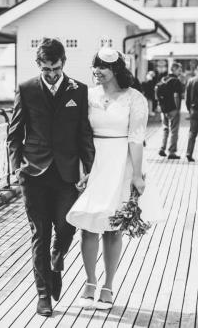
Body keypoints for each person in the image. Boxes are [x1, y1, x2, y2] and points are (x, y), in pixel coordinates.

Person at [66, 47, 162, 310]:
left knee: (112, 226)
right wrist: (82, 169)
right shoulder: (88, 96)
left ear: (116, 69)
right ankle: (89, 282)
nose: (96, 71)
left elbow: (136, 138)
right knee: (88, 223)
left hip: (121, 162)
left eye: (102, 67)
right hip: (93, 163)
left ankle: (108, 285)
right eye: (94, 66)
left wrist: (137, 175)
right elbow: (80, 133)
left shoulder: (135, 98)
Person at [7, 38, 95, 317]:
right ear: (38, 65)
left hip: (67, 173)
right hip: (33, 173)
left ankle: (57, 259)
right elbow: (14, 133)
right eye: (46, 69)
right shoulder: (26, 89)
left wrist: (89, 169)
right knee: (39, 235)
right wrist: (15, 167)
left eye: (56, 68)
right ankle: (43, 295)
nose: (52, 74)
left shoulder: (78, 91)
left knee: (67, 226)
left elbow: (84, 134)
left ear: (63, 63)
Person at [156, 62, 183, 159]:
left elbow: (157, 94)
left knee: (165, 129)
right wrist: (177, 108)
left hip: (164, 109)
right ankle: (172, 152)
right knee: (174, 130)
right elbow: (176, 95)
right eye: (179, 70)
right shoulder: (176, 81)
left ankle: (162, 148)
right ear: (174, 69)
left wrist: (160, 106)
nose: (181, 72)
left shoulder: (163, 79)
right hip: (173, 109)